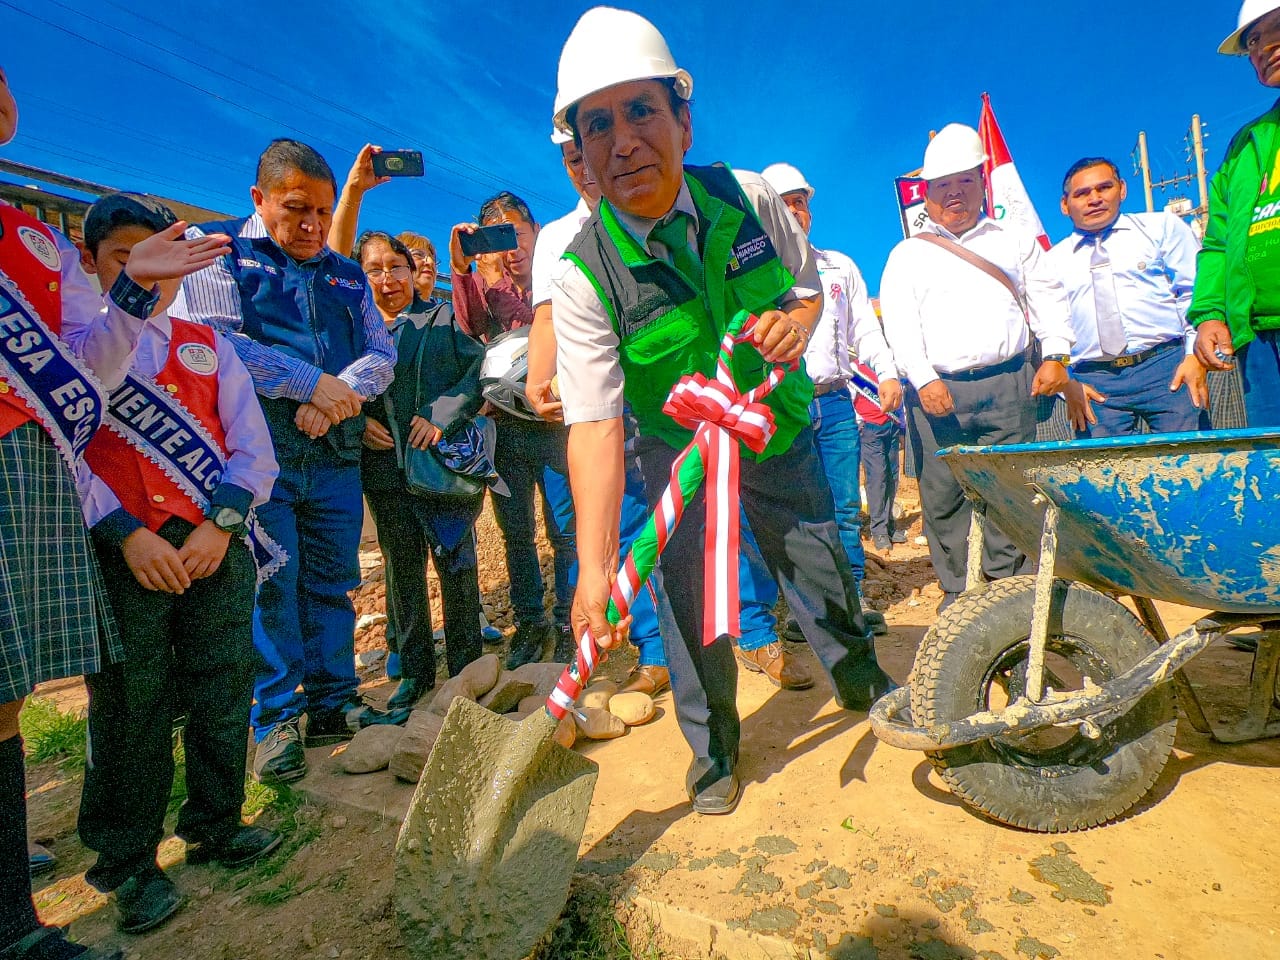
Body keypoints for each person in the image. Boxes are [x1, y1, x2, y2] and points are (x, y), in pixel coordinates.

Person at [549, 7, 892, 815]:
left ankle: (861, 680)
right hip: (677, 455)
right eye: (599, 124)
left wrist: (793, 327)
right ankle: (713, 756)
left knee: (816, 565)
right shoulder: (581, 276)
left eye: (642, 111)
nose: (624, 139)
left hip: (778, 428)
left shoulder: (748, 198)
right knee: (692, 607)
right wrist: (595, 569)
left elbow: (807, 297)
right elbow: (595, 425)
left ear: (683, 121)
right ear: (582, 153)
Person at [0, 66, 232, 960]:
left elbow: (78, 385)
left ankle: (14, 923)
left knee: (4, 696)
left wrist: (133, 294)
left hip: (22, 477)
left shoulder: (31, 241)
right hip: (103, 522)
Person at [75, 195, 281, 934]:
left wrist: (221, 525)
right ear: (90, 261)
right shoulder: (78, 344)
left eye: (158, 255)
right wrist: (127, 532)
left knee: (223, 683)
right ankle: (128, 861)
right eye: (124, 260)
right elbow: (65, 452)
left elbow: (253, 449)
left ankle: (216, 822)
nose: (147, 273)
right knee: (133, 705)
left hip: (210, 548)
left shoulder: (209, 344)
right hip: (123, 552)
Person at [172, 138, 402, 786]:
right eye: (296, 209)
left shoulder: (346, 274)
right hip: (257, 458)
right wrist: (311, 384)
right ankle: (275, 720)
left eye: (322, 211)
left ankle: (335, 702)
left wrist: (338, 397)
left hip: (333, 455)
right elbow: (216, 341)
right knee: (272, 585)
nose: (311, 226)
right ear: (258, 199)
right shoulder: (220, 254)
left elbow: (379, 352)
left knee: (335, 582)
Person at [879, 124, 1074, 614]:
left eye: (963, 183)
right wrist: (923, 378)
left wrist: (1055, 354)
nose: (954, 195)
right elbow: (900, 323)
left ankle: (1004, 585)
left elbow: (1047, 296)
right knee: (944, 495)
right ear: (926, 194)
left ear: (980, 184)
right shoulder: (908, 253)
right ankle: (958, 592)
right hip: (939, 394)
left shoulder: (1013, 240)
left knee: (1009, 490)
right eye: (942, 186)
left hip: (1010, 385)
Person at [761, 162, 899, 637]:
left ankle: (851, 601)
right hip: (782, 406)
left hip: (837, 403)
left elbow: (865, 325)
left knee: (842, 507)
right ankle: (805, 611)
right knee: (795, 511)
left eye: (800, 202)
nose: (794, 211)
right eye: (782, 204)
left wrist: (886, 372)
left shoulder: (839, 268)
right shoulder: (756, 274)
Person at [355, 231, 486, 709]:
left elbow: (476, 374)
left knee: (456, 561)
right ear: (360, 277)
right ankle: (414, 672)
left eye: (397, 266)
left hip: (440, 468)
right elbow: (332, 387)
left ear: (412, 272)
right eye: (375, 269)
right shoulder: (355, 334)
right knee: (403, 568)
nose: (388, 279)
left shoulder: (443, 318)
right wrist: (359, 421)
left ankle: (468, 667)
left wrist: (440, 414)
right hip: (385, 470)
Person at [451, 193, 578, 668]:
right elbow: (469, 328)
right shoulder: (487, 288)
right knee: (516, 533)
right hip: (506, 430)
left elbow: (546, 329)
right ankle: (530, 623)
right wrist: (463, 271)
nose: (512, 249)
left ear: (535, 230)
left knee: (565, 530)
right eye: (499, 239)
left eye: (517, 233)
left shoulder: (560, 277)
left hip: (556, 424)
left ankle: (568, 622)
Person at [1047, 158, 1207, 436]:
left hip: (1168, 369)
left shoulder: (1161, 228)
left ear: (1121, 189)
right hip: (1094, 383)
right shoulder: (1050, 262)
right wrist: (1068, 385)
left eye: (1103, 188)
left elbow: (1193, 291)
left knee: (1190, 467)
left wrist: (1195, 356)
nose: (1094, 199)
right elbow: (1048, 325)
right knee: (1105, 476)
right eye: (1082, 193)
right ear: (1065, 205)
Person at [1191, 0, 1280, 426]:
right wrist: (1209, 314)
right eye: (1254, 41)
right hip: (1258, 338)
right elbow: (1217, 243)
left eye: (1276, 28)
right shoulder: (1244, 145)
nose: (1264, 47)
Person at [852, 355, 905, 552]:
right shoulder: (855, 370)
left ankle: (890, 525)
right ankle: (879, 530)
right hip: (870, 429)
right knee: (877, 479)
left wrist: (902, 429)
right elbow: (850, 399)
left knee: (892, 477)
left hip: (891, 426)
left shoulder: (891, 368)